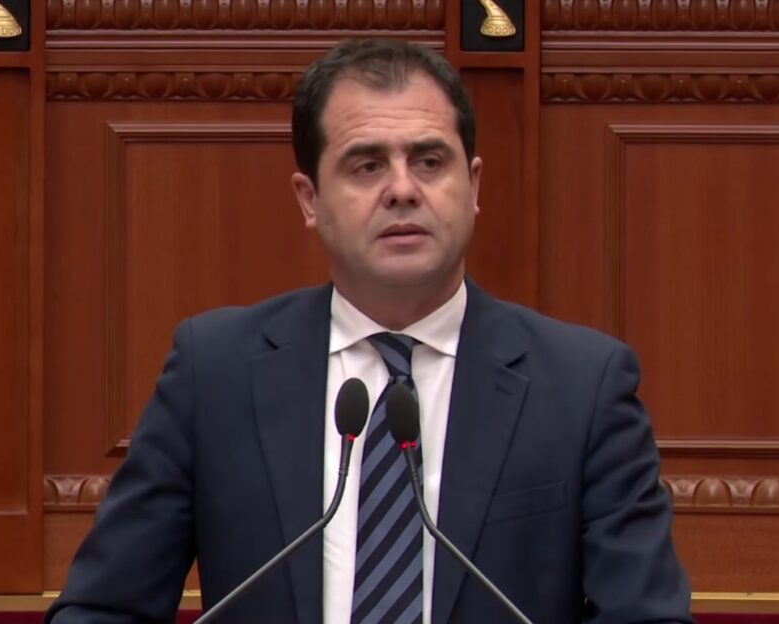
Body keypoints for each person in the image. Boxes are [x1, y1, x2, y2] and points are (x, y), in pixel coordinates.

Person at [47, 38, 693, 624]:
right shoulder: (214, 374)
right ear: (309, 199)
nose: (402, 190)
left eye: (429, 161)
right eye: (366, 166)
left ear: (473, 187)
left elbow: (647, 618)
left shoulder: (582, 388)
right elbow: (102, 610)